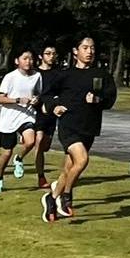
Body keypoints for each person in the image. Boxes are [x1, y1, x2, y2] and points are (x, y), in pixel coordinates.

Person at [40, 36, 117, 222]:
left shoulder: (101, 74)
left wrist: (98, 100)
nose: (89, 51)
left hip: (89, 127)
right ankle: (66, 196)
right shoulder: (64, 75)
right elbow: (46, 95)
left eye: (92, 48)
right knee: (82, 160)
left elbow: (110, 98)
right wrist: (54, 107)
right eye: (85, 47)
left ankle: (51, 198)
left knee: (69, 169)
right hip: (69, 125)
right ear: (75, 51)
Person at [0, 48, 42, 194]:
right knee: (6, 153)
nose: (28, 61)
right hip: (9, 118)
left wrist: (36, 99)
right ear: (16, 61)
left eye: (30, 58)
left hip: (27, 115)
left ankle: (19, 158)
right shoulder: (10, 77)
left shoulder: (37, 76)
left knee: (31, 141)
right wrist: (18, 100)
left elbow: (38, 93)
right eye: (25, 58)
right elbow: (0, 99)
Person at [32, 44, 62, 190]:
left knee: (45, 146)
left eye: (53, 54)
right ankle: (41, 177)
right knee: (38, 140)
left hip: (51, 112)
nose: (51, 56)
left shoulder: (58, 74)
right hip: (37, 111)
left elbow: (61, 93)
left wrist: (53, 104)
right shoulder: (34, 73)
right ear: (41, 56)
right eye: (48, 53)